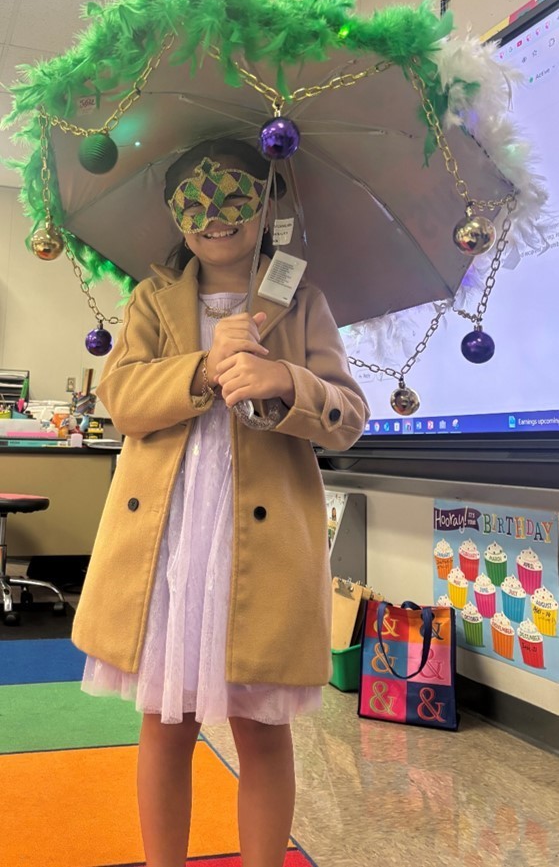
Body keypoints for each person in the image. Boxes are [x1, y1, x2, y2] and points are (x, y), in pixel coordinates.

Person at [70, 137, 369, 867]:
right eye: (194, 201)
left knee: (262, 728)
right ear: (176, 216)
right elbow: (120, 399)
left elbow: (349, 415)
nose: (214, 214)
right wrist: (201, 365)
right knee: (163, 724)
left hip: (256, 548)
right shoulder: (151, 300)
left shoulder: (300, 301)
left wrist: (287, 384)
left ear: (264, 203)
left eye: (233, 194)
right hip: (168, 546)